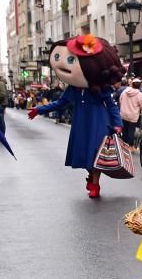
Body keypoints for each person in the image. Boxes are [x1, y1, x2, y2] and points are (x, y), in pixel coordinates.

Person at [27, 34, 125, 198]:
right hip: (80, 123)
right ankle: (91, 177)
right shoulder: (72, 89)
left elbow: (111, 105)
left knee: (95, 154)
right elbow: (59, 103)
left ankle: (95, 184)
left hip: (98, 122)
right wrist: (39, 110)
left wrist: (117, 123)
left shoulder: (100, 87)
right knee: (84, 154)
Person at [118, 78, 142, 146]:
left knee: (124, 130)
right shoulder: (140, 95)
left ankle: (123, 144)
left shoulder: (125, 92)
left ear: (132, 85)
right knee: (131, 130)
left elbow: (120, 100)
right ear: (139, 86)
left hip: (123, 114)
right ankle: (129, 146)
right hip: (133, 115)